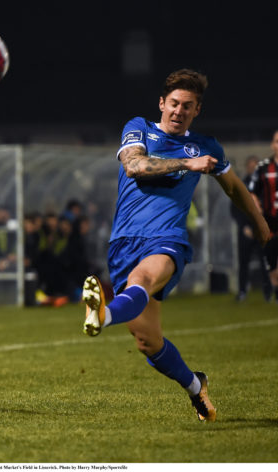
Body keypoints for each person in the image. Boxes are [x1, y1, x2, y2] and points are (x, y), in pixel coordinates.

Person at [81, 69, 270, 423]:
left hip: (167, 240)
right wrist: (187, 163)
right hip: (123, 243)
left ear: (197, 110)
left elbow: (235, 189)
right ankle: (196, 386)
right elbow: (134, 165)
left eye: (188, 106)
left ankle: (101, 314)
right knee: (148, 343)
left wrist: (264, 232)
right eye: (174, 103)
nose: (179, 110)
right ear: (161, 104)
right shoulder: (138, 128)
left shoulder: (206, 145)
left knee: (143, 280)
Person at [232, 155, 271, 301]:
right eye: (250, 166)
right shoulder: (240, 186)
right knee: (243, 263)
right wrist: (244, 227)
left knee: (265, 263)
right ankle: (242, 291)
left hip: (262, 232)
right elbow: (235, 209)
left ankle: (268, 293)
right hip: (246, 232)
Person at [248, 131, 278, 302]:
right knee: (272, 265)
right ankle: (273, 291)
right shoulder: (263, 167)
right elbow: (252, 193)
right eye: (277, 141)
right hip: (270, 224)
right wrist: (258, 213)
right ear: (272, 145)